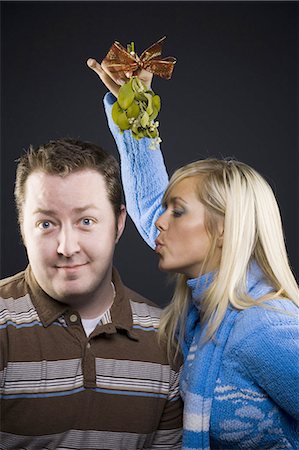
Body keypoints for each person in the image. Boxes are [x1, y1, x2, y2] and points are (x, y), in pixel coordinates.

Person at [88, 59, 299, 450]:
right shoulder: (212, 313)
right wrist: (136, 111)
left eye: (177, 211)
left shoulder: (266, 331)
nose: (159, 223)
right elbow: (150, 205)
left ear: (223, 230)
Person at [0, 138, 183, 449]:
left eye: (86, 221)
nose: (67, 247)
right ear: (22, 228)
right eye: (46, 224)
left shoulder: (165, 339)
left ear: (119, 223)